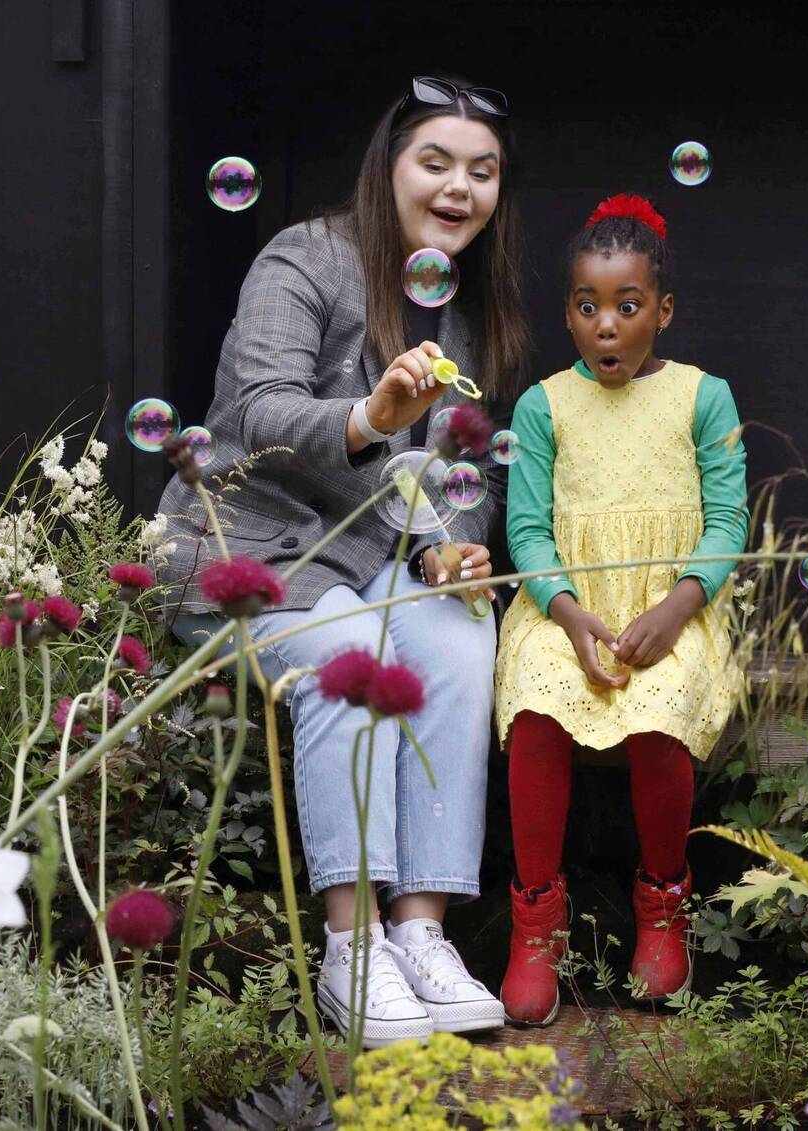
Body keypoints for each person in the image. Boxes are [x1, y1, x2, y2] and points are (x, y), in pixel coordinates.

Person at [156, 76, 528, 1047]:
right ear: (389, 167)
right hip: (251, 549)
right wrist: (370, 417)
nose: (458, 188)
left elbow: (466, 464)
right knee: (352, 656)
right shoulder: (305, 258)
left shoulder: (469, 308)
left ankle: (420, 931)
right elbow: (258, 412)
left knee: (457, 639)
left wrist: (454, 543)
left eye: (482, 171)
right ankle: (351, 947)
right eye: (435, 162)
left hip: (370, 551)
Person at [493, 193, 748, 1025]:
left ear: (662, 312)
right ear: (568, 312)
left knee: (660, 710)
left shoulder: (704, 397)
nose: (606, 325)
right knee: (536, 702)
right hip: (563, 607)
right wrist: (567, 613)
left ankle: (663, 905)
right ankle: (536, 920)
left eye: (628, 306)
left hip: (674, 605)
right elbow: (527, 530)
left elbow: (728, 522)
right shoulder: (542, 406)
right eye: (587, 306)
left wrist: (678, 607)